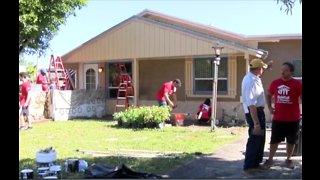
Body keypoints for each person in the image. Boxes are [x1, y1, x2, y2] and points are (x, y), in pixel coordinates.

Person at [263, 62, 302, 169]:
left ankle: (288, 159)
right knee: (274, 140)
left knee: (291, 140)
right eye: (282, 70)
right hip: (278, 118)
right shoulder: (275, 83)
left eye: (285, 70)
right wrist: (270, 108)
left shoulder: (297, 84)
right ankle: (270, 159)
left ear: (291, 72)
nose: (282, 72)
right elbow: (268, 95)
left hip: (293, 118)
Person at [241, 58, 268, 173]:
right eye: (262, 68)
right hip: (254, 113)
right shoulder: (250, 81)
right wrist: (256, 123)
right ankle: (249, 166)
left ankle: (256, 163)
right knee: (255, 138)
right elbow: (251, 104)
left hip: (259, 112)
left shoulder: (255, 78)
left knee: (260, 138)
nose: (263, 70)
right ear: (258, 69)